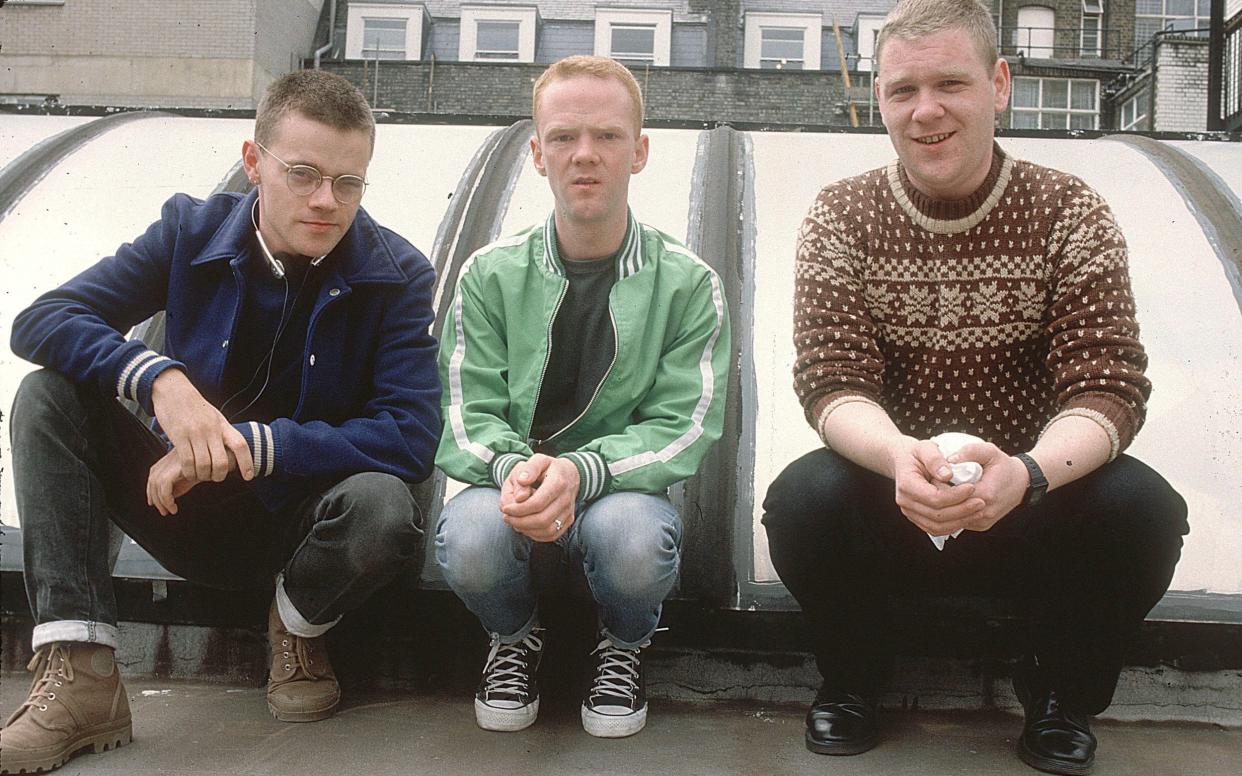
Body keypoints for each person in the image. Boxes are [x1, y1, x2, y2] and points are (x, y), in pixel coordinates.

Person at [760, 1, 1188, 773]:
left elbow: (1108, 386)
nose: (925, 111)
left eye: (950, 83)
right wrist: (898, 460)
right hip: (896, 496)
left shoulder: (1070, 210)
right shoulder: (841, 215)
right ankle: (855, 678)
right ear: (881, 99)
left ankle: (1060, 692)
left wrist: (1023, 476)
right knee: (802, 501)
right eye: (901, 91)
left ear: (998, 84)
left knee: (1145, 511)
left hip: (1032, 501)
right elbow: (831, 380)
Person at [1, 69, 441, 774]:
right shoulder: (191, 229)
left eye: (349, 182)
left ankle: (297, 631)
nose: (327, 201)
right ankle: (82, 678)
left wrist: (253, 446)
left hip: (305, 534)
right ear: (252, 162)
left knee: (383, 505)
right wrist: (158, 379)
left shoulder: (396, 272)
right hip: (175, 505)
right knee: (48, 396)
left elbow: (412, 435)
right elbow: (42, 319)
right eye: (303, 174)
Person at [434, 55, 730, 739]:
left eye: (607, 136)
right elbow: (462, 410)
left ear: (640, 151)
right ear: (537, 155)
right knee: (469, 536)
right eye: (564, 137)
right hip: (511, 482)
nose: (585, 155)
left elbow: (685, 425)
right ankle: (514, 638)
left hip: (620, 488)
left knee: (634, 539)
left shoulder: (687, 283)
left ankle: (624, 645)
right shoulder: (488, 275)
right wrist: (515, 469)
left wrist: (580, 470)